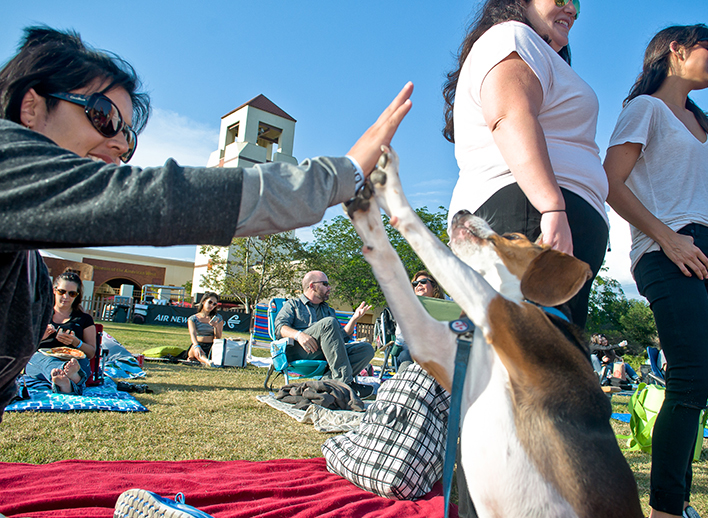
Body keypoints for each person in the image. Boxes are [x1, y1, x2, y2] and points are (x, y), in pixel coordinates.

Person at [0, 26, 413, 420]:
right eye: (104, 116)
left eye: (130, 134)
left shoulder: (29, 266)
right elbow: (165, 199)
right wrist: (341, 175)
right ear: (31, 108)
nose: (122, 143)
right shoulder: (7, 165)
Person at [603, 24, 708, 518]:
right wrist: (667, 237)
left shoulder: (703, 125)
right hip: (667, 250)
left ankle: (679, 504)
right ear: (677, 50)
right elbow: (611, 183)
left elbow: (700, 193)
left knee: (699, 380)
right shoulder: (646, 110)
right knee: (692, 375)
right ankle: (667, 508)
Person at [443, 0, 608, 329]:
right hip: (527, 213)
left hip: (543, 215)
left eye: (576, 2)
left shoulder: (538, 52)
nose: (572, 9)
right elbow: (509, 116)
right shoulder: (513, 36)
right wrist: (552, 208)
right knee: (524, 360)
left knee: (543, 363)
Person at [274, 271, 375, 398]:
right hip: (299, 350)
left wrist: (354, 318)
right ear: (312, 286)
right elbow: (279, 328)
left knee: (366, 349)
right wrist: (299, 335)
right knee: (328, 323)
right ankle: (345, 383)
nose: (329, 288)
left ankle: (327, 385)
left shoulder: (327, 310)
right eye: (325, 284)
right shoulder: (293, 304)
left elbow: (341, 337)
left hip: (326, 353)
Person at [24, 272, 96, 394]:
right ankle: (70, 378)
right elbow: (23, 348)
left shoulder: (84, 319)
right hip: (43, 358)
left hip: (74, 360)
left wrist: (76, 343)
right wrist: (40, 338)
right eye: (62, 291)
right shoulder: (40, 314)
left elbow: (91, 353)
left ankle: (63, 381)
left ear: (77, 296)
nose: (66, 297)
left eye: (72, 293)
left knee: (78, 363)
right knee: (42, 360)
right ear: (54, 290)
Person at [394, 271, 445, 367]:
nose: (419, 285)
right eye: (415, 284)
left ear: (434, 287)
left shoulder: (444, 308)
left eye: (423, 281)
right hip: (412, 354)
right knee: (405, 356)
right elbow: (400, 337)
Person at [186, 292, 224, 367]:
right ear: (203, 302)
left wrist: (215, 327)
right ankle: (207, 361)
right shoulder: (193, 318)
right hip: (198, 344)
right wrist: (196, 345)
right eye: (210, 302)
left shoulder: (217, 318)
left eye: (214, 304)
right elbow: (193, 335)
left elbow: (218, 338)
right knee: (196, 349)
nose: (211, 305)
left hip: (211, 345)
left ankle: (205, 361)